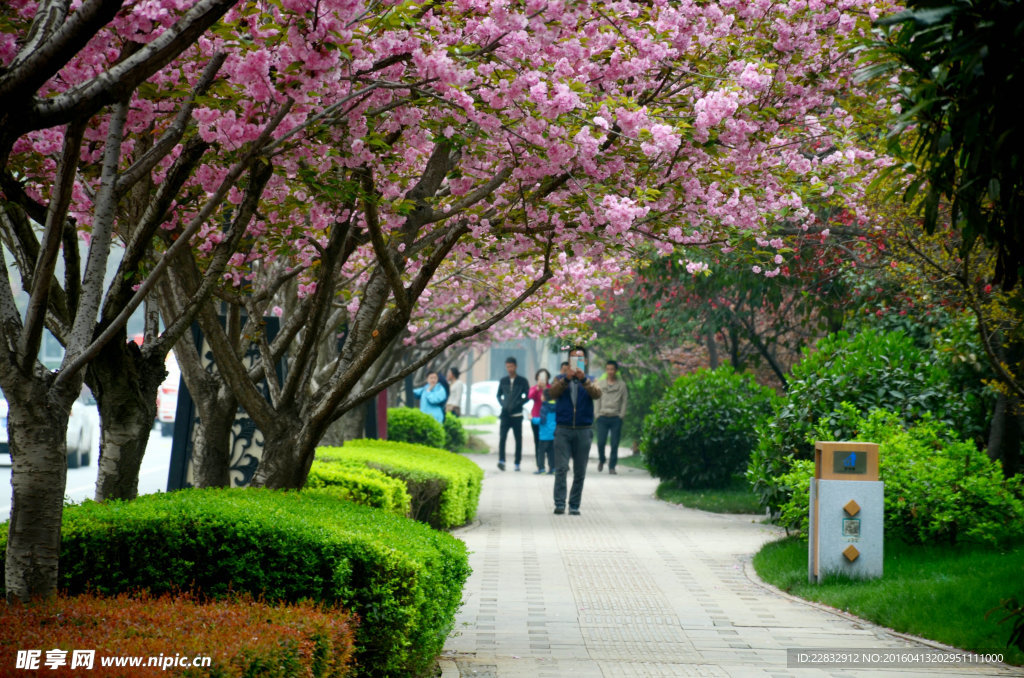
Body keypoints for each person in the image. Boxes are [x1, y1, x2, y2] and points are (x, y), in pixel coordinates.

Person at [548, 345, 601, 515]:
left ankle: (574, 505)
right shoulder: (559, 378)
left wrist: (584, 380)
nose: (576, 361)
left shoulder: (591, 379)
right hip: (563, 429)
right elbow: (552, 394)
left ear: (585, 361)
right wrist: (566, 379)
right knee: (561, 468)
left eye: (580, 358)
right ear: (569, 361)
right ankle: (559, 503)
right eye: (573, 358)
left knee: (580, 471)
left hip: (584, 430)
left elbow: (597, 394)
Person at [496, 356, 530, 471]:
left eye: (511, 366)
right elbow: (498, 395)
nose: (509, 369)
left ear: (515, 366)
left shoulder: (522, 381)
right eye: (507, 367)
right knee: (502, 438)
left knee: (518, 439)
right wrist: (503, 404)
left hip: (517, 415)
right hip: (505, 414)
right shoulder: (503, 380)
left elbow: (527, 395)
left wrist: (518, 403)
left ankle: (517, 463)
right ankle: (501, 460)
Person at [595, 359, 628, 474]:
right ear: (606, 370)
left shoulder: (622, 385)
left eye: (612, 369)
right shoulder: (601, 383)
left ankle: (612, 466)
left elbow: (624, 401)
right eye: (608, 369)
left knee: (614, 443)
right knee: (601, 442)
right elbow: (597, 399)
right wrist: (597, 414)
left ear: (616, 370)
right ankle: (602, 459)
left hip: (616, 417)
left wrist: (621, 415)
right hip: (602, 417)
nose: (610, 371)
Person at [528, 368, 550, 470]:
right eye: (540, 377)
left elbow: (554, 398)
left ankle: (551, 464)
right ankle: (540, 464)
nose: (541, 379)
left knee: (550, 442)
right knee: (538, 441)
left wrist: (545, 388)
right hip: (536, 417)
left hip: (548, 419)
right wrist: (538, 388)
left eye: (544, 377)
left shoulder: (550, 388)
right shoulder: (534, 388)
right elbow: (530, 396)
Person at [535, 388, 557, 474]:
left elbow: (542, 421)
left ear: (544, 397)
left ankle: (541, 468)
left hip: (544, 435)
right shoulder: (556, 406)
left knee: (541, 452)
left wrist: (533, 420)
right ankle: (553, 468)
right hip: (554, 434)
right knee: (552, 453)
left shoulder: (544, 407)